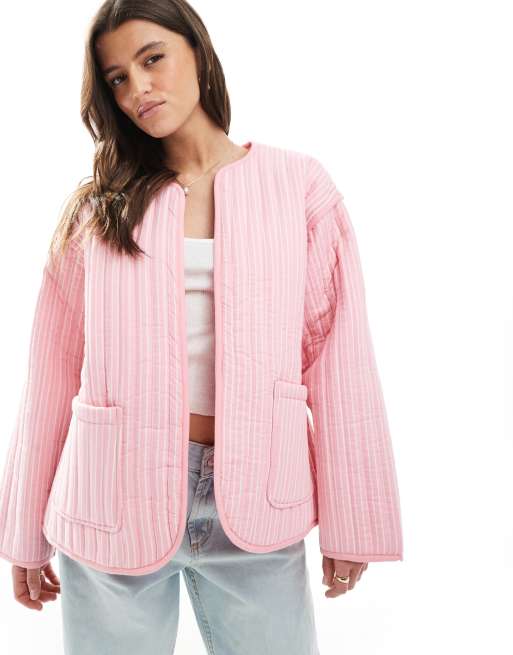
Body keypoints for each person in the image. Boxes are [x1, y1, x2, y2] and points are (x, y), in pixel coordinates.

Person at [0, 1, 404, 653]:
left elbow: (338, 354)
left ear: (197, 51)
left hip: (259, 499)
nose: (138, 88)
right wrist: (22, 531)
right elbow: (50, 368)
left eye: (152, 58)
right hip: (111, 499)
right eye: (117, 78)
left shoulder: (297, 187)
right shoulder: (99, 211)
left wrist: (353, 521)